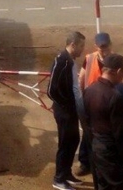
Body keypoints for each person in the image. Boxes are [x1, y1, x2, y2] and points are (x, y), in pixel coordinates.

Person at [83, 54, 123, 190]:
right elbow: (121, 133)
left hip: (95, 147)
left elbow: (86, 120)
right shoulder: (115, 97)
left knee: (102, 185)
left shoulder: (89, 90)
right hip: (112, 151)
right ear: (118, 71)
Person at [48, 31, 87, 190]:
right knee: (65, 143)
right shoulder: (61, 61)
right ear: (73, 45)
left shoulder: (70, 61)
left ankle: (66, 173)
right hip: (64, 111)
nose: (82, 50)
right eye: (81, 46)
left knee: (73, 140)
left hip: (71, 110)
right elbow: (51, 90)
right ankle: (59, 179)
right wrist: (66, 105)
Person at [77, 32, 115, 176]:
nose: (103, 50)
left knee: (105, 133)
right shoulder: (89, 58)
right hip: (91, 101)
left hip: (108, 103)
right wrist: (83, 97)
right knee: (87, 132)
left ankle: (103, 164)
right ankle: (85, 163)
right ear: (96, 47)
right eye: (101, 47)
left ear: (110, 45)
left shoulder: (115, 59)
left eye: (105, 47)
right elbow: (81, 78)